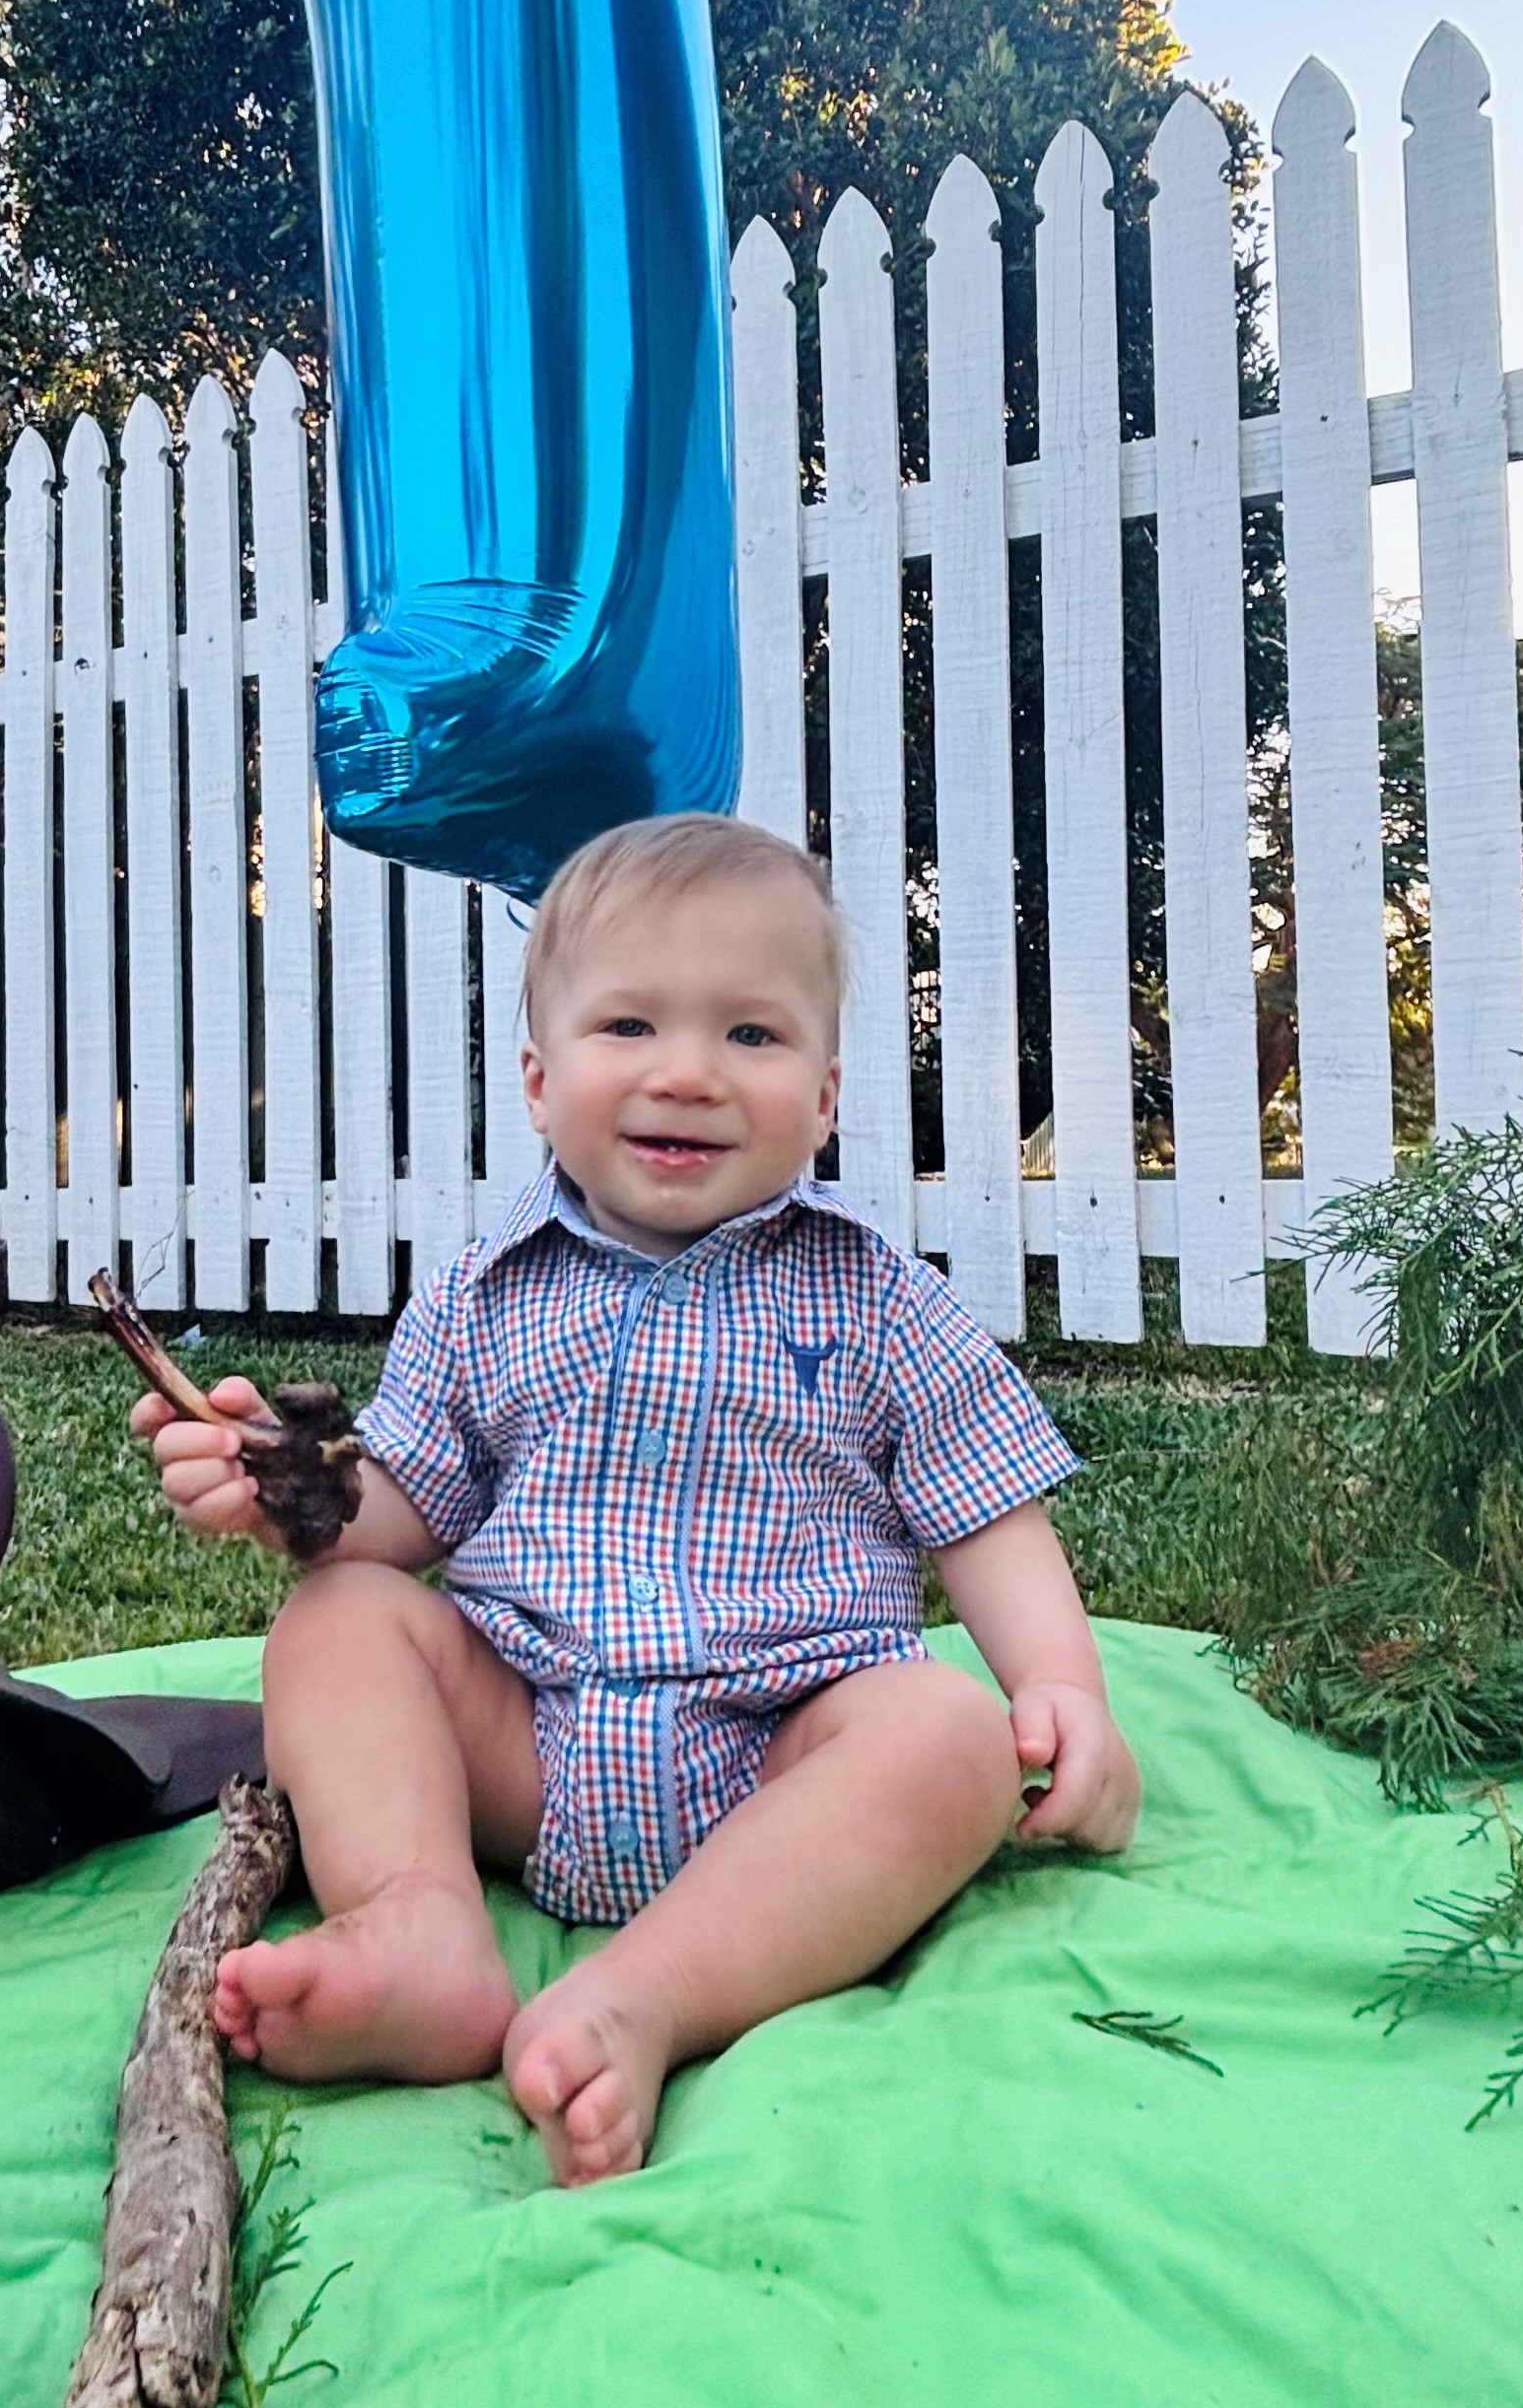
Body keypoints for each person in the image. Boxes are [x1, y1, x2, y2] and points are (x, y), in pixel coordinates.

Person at [133, 813, 1140, 2185]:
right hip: (529, 1741)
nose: (688, 1073)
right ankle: (420, 1922)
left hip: (783, 1748)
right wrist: (288, 1494)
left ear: (828, 1094)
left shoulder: (882, 1303)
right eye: (630, 1028)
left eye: (751, 1036)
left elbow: (987, 1512)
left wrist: (1067, 1694)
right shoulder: (484, 1299)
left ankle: (648, 1997)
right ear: (540, 1083)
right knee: (344, 1618)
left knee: (948, 1736)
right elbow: (403, 1514)